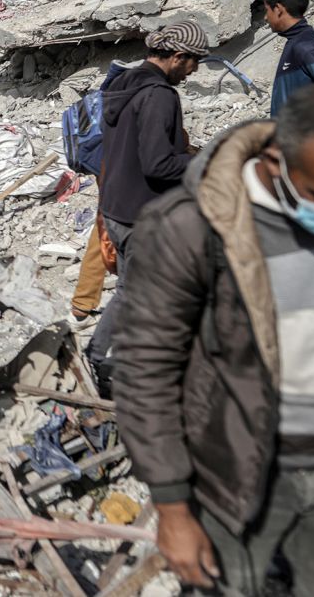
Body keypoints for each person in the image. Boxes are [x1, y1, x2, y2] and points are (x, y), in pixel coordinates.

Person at [114, 81, 314, 596]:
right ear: (275, 159)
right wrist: (174, 508)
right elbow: (145, 371)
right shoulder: (192, 230)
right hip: (238, 472)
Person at [88, 20, 210, 386]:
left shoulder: (124, 81)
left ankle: (97, 355)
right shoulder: (159, 96)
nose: (194, 71)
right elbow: (158, 165)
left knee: (130, 290)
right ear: (177, 56)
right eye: (193, 62)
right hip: (142, 213)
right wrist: (206, 162)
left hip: (116, 206)